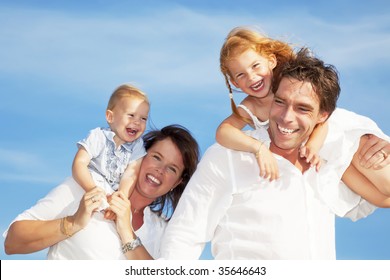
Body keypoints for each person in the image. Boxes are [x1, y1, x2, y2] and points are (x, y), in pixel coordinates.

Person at [159, 48, 390, 260]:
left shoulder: (327, 164)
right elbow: (184, 236)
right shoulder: (228, 157)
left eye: (303, 108)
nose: (286, 117)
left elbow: (383, 197)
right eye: (280, 102)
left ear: (323, 116)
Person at [216, 27, 390, 196]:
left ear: (271, 60)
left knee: (387, 184)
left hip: (332, 135)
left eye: (255, 66)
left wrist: (312, 145)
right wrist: (258, 148)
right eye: (241, 75)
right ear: (234, 83)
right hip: (321, 155)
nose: (252, 77)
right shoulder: (251, 106)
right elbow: (223, 131)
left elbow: (323, 122)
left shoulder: (291, 84)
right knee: (381, 199)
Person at [4, 124, 200, 259]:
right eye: (156, 157)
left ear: (177, 182)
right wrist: (73, 223)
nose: (160, 170)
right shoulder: (87, 187)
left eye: (172, 168)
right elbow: (12, 242)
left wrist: (127, 232)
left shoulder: (164, 232)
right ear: (139, 156)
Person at [73, 83, 149, 212]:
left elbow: (131, 174)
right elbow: (79, 164)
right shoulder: (99, 136)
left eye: (143, 118)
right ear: (110, 116)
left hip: (110, 194)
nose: (137, 122)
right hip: (86, 184)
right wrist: (91, 189)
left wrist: (121, 197)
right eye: (131, 115)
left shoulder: (137, 146)